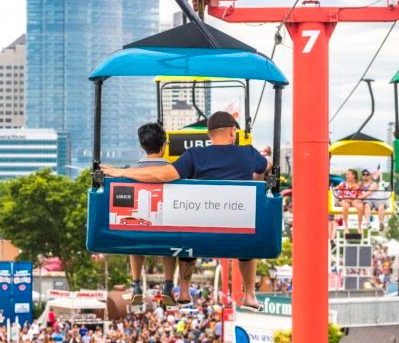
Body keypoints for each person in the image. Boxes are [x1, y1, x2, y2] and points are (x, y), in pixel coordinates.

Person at [101, 111, 272, 311]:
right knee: (247, 249)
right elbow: (266, 166)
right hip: (238, 236)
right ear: (233, 131)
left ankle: (183, 291)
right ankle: (250, 295)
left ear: (209, 135)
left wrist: (123, 172)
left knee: (187, 240)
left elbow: (161, 176)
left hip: (200, 237)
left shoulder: (195, 155)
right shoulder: (248, 153)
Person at [127, 123, 179, 309]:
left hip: (140, 230)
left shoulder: (130, 174)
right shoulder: (176, 173)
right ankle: (167, 285)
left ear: (142, 146)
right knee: (170, 238)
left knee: (134, 239)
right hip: (167, 231)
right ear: (164, 145)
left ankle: (136, 285)